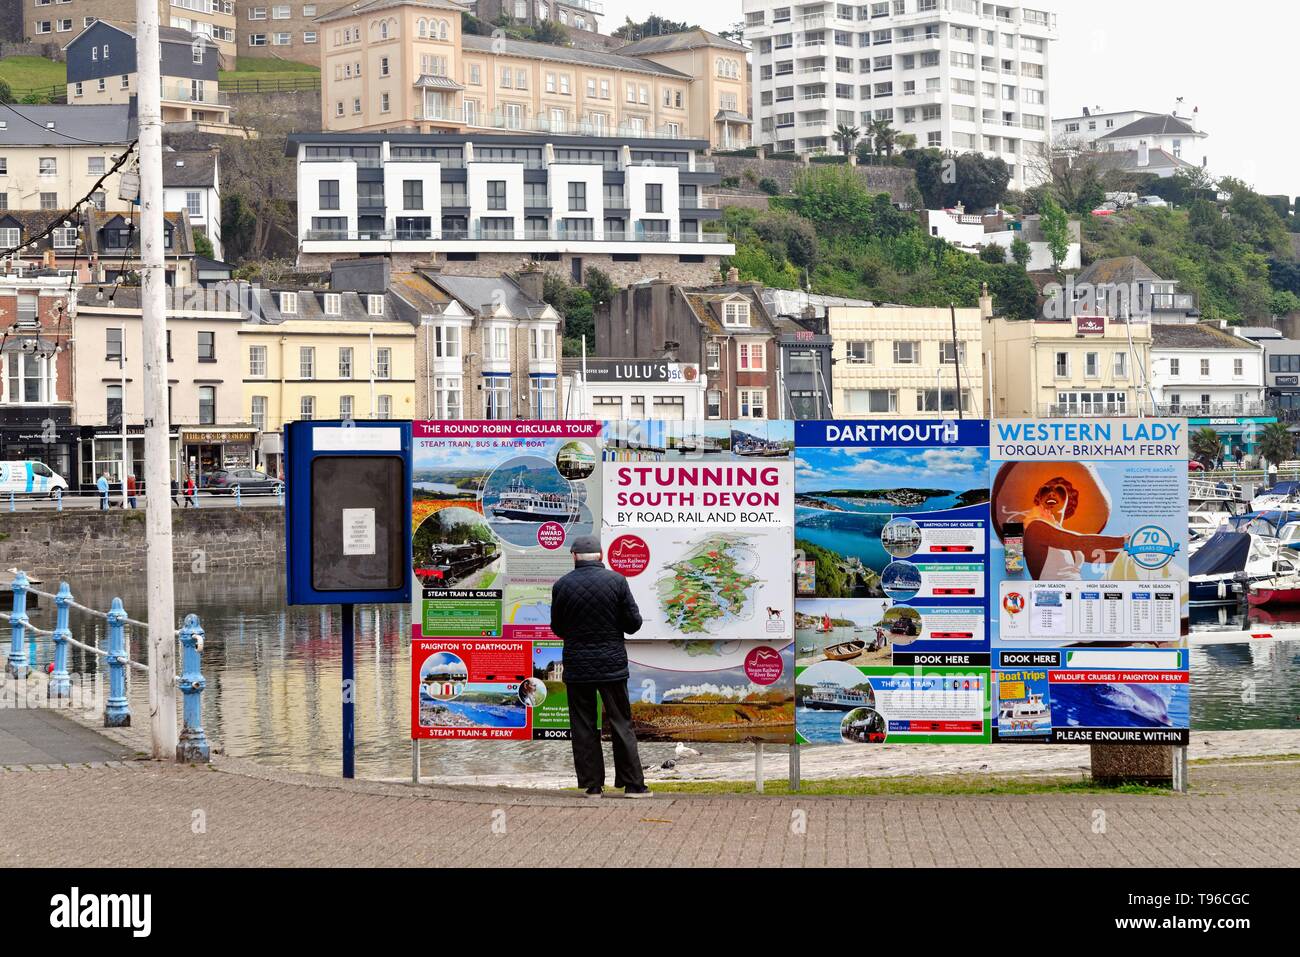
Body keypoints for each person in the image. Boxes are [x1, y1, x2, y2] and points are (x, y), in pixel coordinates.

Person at [549, 534, 651, 799]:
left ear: (574, 557)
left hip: (578, 666)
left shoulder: (562, 585)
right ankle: (633, 785)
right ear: (601, 556)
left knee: (583, 725)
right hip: (611, 665)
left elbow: (558, 628)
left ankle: (592, 786)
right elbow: (633, 623)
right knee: (621, 722)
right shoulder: (617, 581)